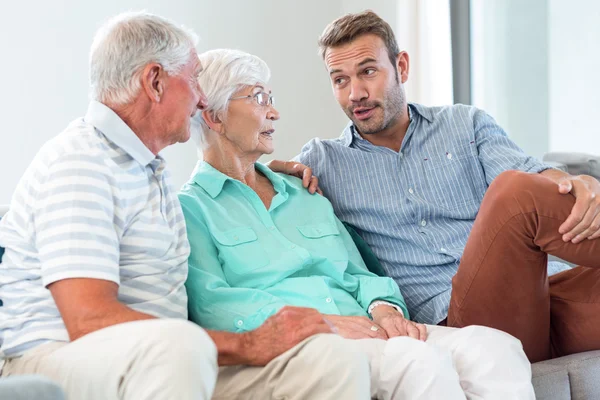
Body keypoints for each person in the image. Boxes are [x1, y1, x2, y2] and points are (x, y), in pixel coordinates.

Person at [0, 12, 369, 400]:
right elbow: (88, 319)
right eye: (193, 79)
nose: (202, 98)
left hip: (169, 360)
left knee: (330, 359)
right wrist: (245, 344)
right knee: (180, 348)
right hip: (61, 357)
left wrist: (261, 175)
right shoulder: (81, 162)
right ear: (155, 82)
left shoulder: (146, 169)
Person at [179, 48, 535, 399]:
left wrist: (386, 308)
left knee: (495, 348)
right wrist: (321, 323)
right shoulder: (191, 208)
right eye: (258, 98)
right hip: (310, 347)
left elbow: (360, 274)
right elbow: (214, 305)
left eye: (270, 97)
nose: (274, 111)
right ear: (214, 116)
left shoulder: (302, 190)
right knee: (417, 361)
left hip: (369, 329)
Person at [267, 10, 600, 363]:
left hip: (546, 298)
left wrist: (578, 184)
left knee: (526, 189)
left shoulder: (464, 123)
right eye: (340, 80)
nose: (356, 94)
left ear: (402, 67)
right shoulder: (323, 161)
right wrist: (265, 174)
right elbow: (260, 197)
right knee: (512, 194)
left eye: (368, 71)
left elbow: (536, 175)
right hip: (465, 322)